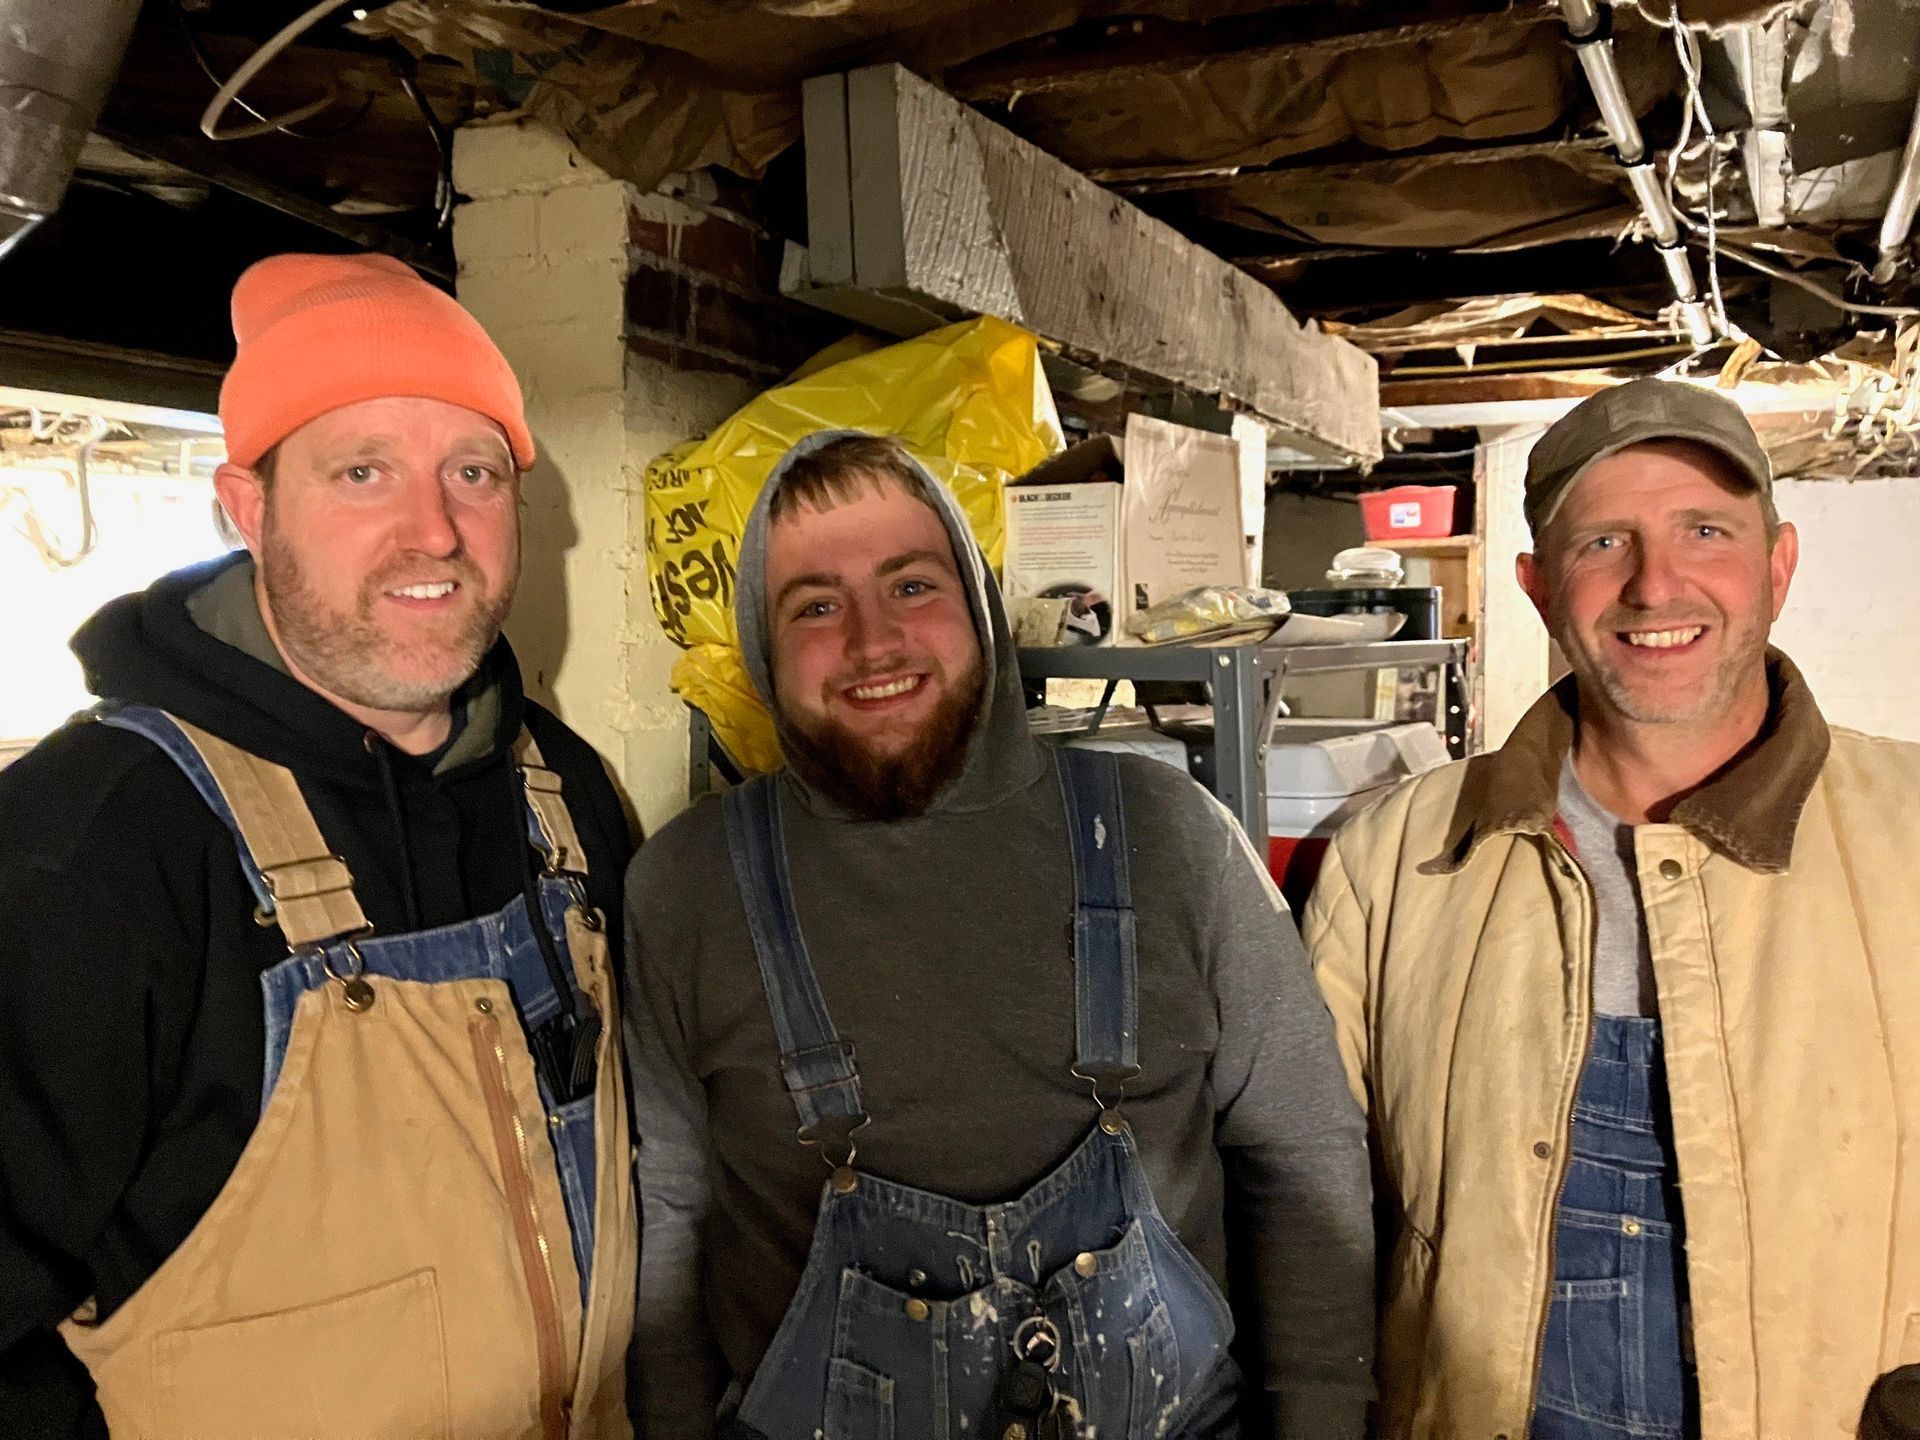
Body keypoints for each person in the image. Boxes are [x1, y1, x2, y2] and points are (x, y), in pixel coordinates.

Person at [0, 253, 638, 1438]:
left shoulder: (563, 794)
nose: (433, 531)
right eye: (362, 471)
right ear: (246, 508)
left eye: (473, 471)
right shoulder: (87, 852)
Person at [624, 430, 1372, 1440]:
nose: (873, 642)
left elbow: (1303, 1157)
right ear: (762, 651)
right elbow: (671, 1222)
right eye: (815, 606)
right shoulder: (687, 887)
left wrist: (1322, 1416)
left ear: (979, 608)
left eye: (912, 586)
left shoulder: (1171, 837)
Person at [1304, 377, 1920, 1439]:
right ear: (1539, 587)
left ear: (1778, 566)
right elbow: (1308, 1215)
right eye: (1603, 544)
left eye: (1705, 531)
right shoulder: (1394, 862)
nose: (1655, 584)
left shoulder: (1908, 833)